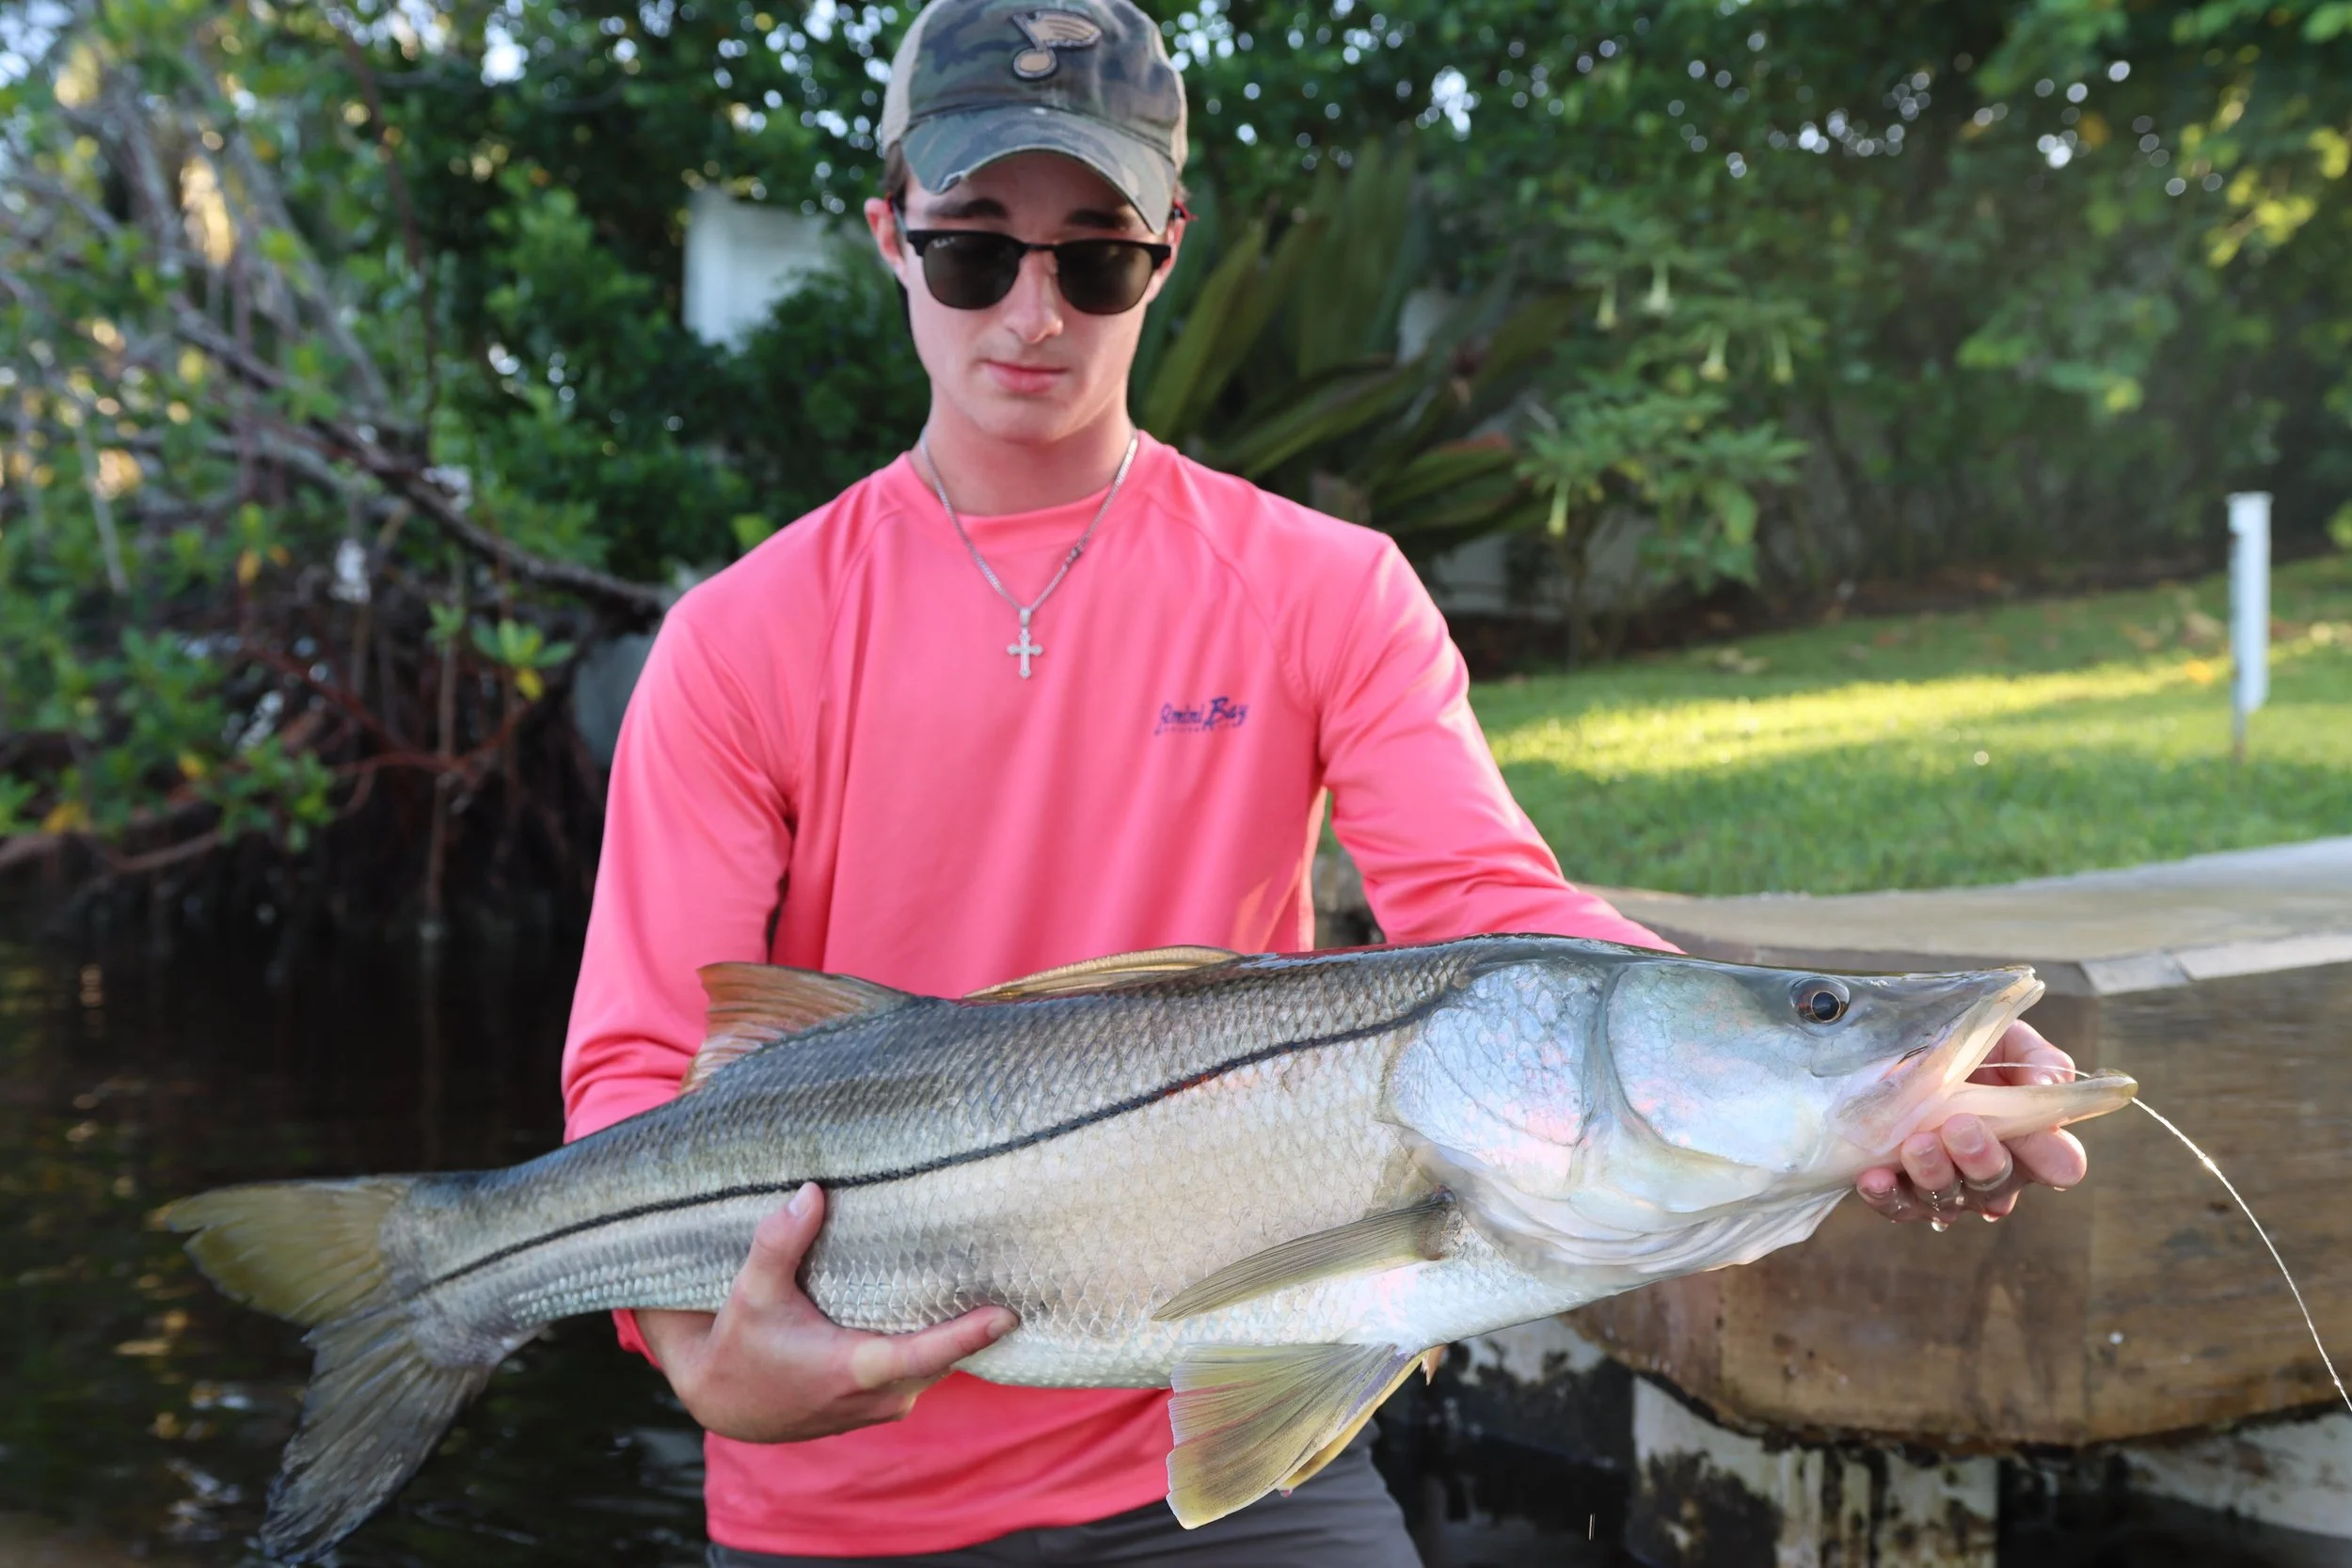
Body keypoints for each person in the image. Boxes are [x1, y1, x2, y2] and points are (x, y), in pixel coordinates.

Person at [559, 1, 2090, 1561]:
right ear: (893, 238)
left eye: (1095, 254)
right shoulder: (738, 638)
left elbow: (1493, 914)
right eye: (974, 251)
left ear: (1166, 249)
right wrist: (693, 1351)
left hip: (1226, 1457)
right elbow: (640, 1066)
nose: (1033, 311)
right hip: (847, 1491)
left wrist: (1845, 1080)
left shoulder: (1325, 587)